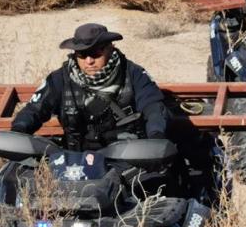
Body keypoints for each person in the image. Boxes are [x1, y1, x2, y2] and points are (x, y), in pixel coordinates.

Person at [10, 23, 169, 150]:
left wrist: (156, 137)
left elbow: (153, 107)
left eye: (96, 53)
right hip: (74, 161)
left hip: (126, 158)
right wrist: (19, 131)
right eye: (82, 54)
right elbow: (34, 110)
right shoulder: (59, 79)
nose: (89, 61)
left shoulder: (133, 73)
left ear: (110, 48)